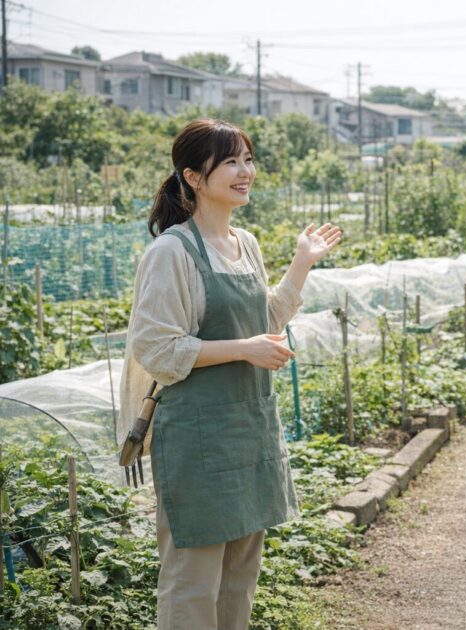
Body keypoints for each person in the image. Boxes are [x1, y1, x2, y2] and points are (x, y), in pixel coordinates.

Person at [118, 119, 341, 629]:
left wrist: (302, 262)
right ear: (193, 177)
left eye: (248, 159)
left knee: (240, 579)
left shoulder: (246, 243)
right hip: (197, 437)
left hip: (248, 431)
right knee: (193, 583)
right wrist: (245, 349)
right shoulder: (172, 251)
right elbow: (157, 348)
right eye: (231, 162)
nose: (245, 172)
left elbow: (265, 323)